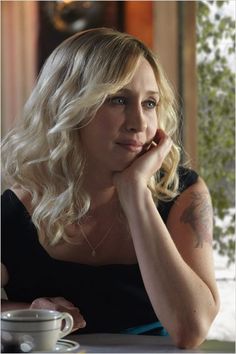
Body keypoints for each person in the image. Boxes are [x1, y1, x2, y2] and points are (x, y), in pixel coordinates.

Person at [1, 27, 219, 349]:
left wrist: (136, 193)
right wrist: (27, 311)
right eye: (118, 99)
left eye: (149, 103)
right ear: (68, 106)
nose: (140, 123)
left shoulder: (184, 192)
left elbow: (191, 329)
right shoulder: (15, 208)